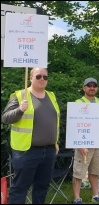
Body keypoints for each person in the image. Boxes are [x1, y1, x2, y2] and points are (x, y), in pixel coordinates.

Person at [2, 67, 60, 204]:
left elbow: (54, 122)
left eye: (45, 77)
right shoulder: (20, 95)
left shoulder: (51, 96)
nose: (42, 79)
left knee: (42, 187)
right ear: (31, 78)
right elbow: (5, 118)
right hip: (26, 151)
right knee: (20, 188)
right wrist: (20, 109)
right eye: (38, 76)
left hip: (49, 150)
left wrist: (55, 143)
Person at [72, 78, 99, 204]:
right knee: (79, 172)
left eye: (94, 86)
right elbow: (75, 124)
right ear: (84, 88)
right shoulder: (78, 102)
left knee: (95, 171)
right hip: (84, 143)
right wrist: (80, 144)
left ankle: (95, 196)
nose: (92, 88)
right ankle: (77, 198)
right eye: (89, 86)